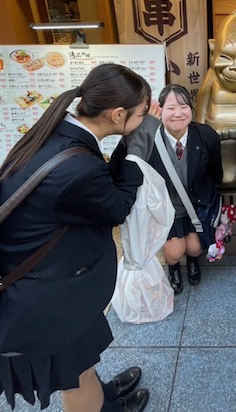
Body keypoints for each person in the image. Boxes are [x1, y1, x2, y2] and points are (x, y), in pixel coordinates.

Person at [0, 63, 153, 412]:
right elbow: (117, 207)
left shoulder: (58, 131)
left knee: (84, 356)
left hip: (48, 278)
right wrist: (135, 152)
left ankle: (104, 395)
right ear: (117, 115)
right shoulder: (78, 168)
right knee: (76, 373)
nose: (145, 119)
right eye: (142, 114)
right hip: (41, 299)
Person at [111, 84, 223, 295]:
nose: (178, 113)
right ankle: (174, 268)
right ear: (159, 110)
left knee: (195, 248)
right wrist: (139, 131)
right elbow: (120, 166)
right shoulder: (147, 137)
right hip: (166, 210)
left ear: (192, 110)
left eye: (184, 106)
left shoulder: (206, 135)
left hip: (196, 207)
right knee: (173, 253)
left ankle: (193, 262)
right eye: (171, 108)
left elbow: (216, 173)